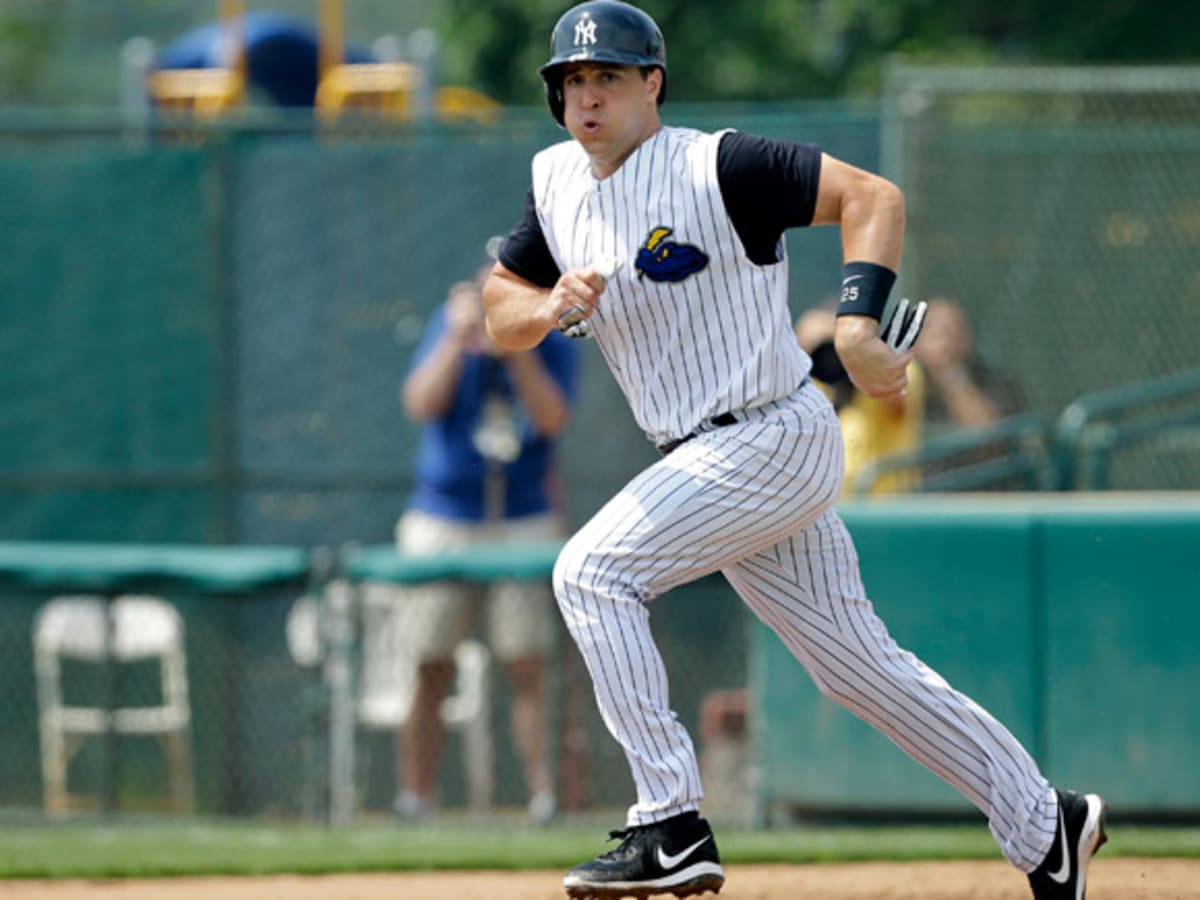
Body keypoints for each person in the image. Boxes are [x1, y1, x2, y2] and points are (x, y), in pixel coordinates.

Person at [482, 2, 1106, 898]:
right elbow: (502, 298)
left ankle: (670, 822)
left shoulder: (717, 164)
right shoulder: (554, 183)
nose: (587, 97)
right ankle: (1047, 823)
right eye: (573, 80)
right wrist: (545, 309)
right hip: (711, 457)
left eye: (608, 76)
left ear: (651, 84)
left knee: (590, 574)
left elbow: (872, 197)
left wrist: (857, 322)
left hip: (771, 433)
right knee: (860, 671)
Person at [393, 256, 578, 825]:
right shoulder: (450, 325)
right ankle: (415, 798)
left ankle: (543, 799)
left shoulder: (554, 334)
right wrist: (456, 337)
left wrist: (515, 350)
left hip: (520, 518)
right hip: (445, 516)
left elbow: (551, 418)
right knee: (430, 664)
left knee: (527, 663)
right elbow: (420, 402)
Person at [796, 303, 925, 495]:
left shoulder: (891, 369)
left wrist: (860, 355)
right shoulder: (813, 379)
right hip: (826, 504)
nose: (835, 353)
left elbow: (895, 398)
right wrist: (808, 350)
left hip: (884, 505)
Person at [916, 296, 1024, 434]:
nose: (937, 339)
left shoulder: (994, 383)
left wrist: (948, 372)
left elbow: (989, 438)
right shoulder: (903, 380)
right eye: (928, 329)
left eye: (948, 331)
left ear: (965, 339)